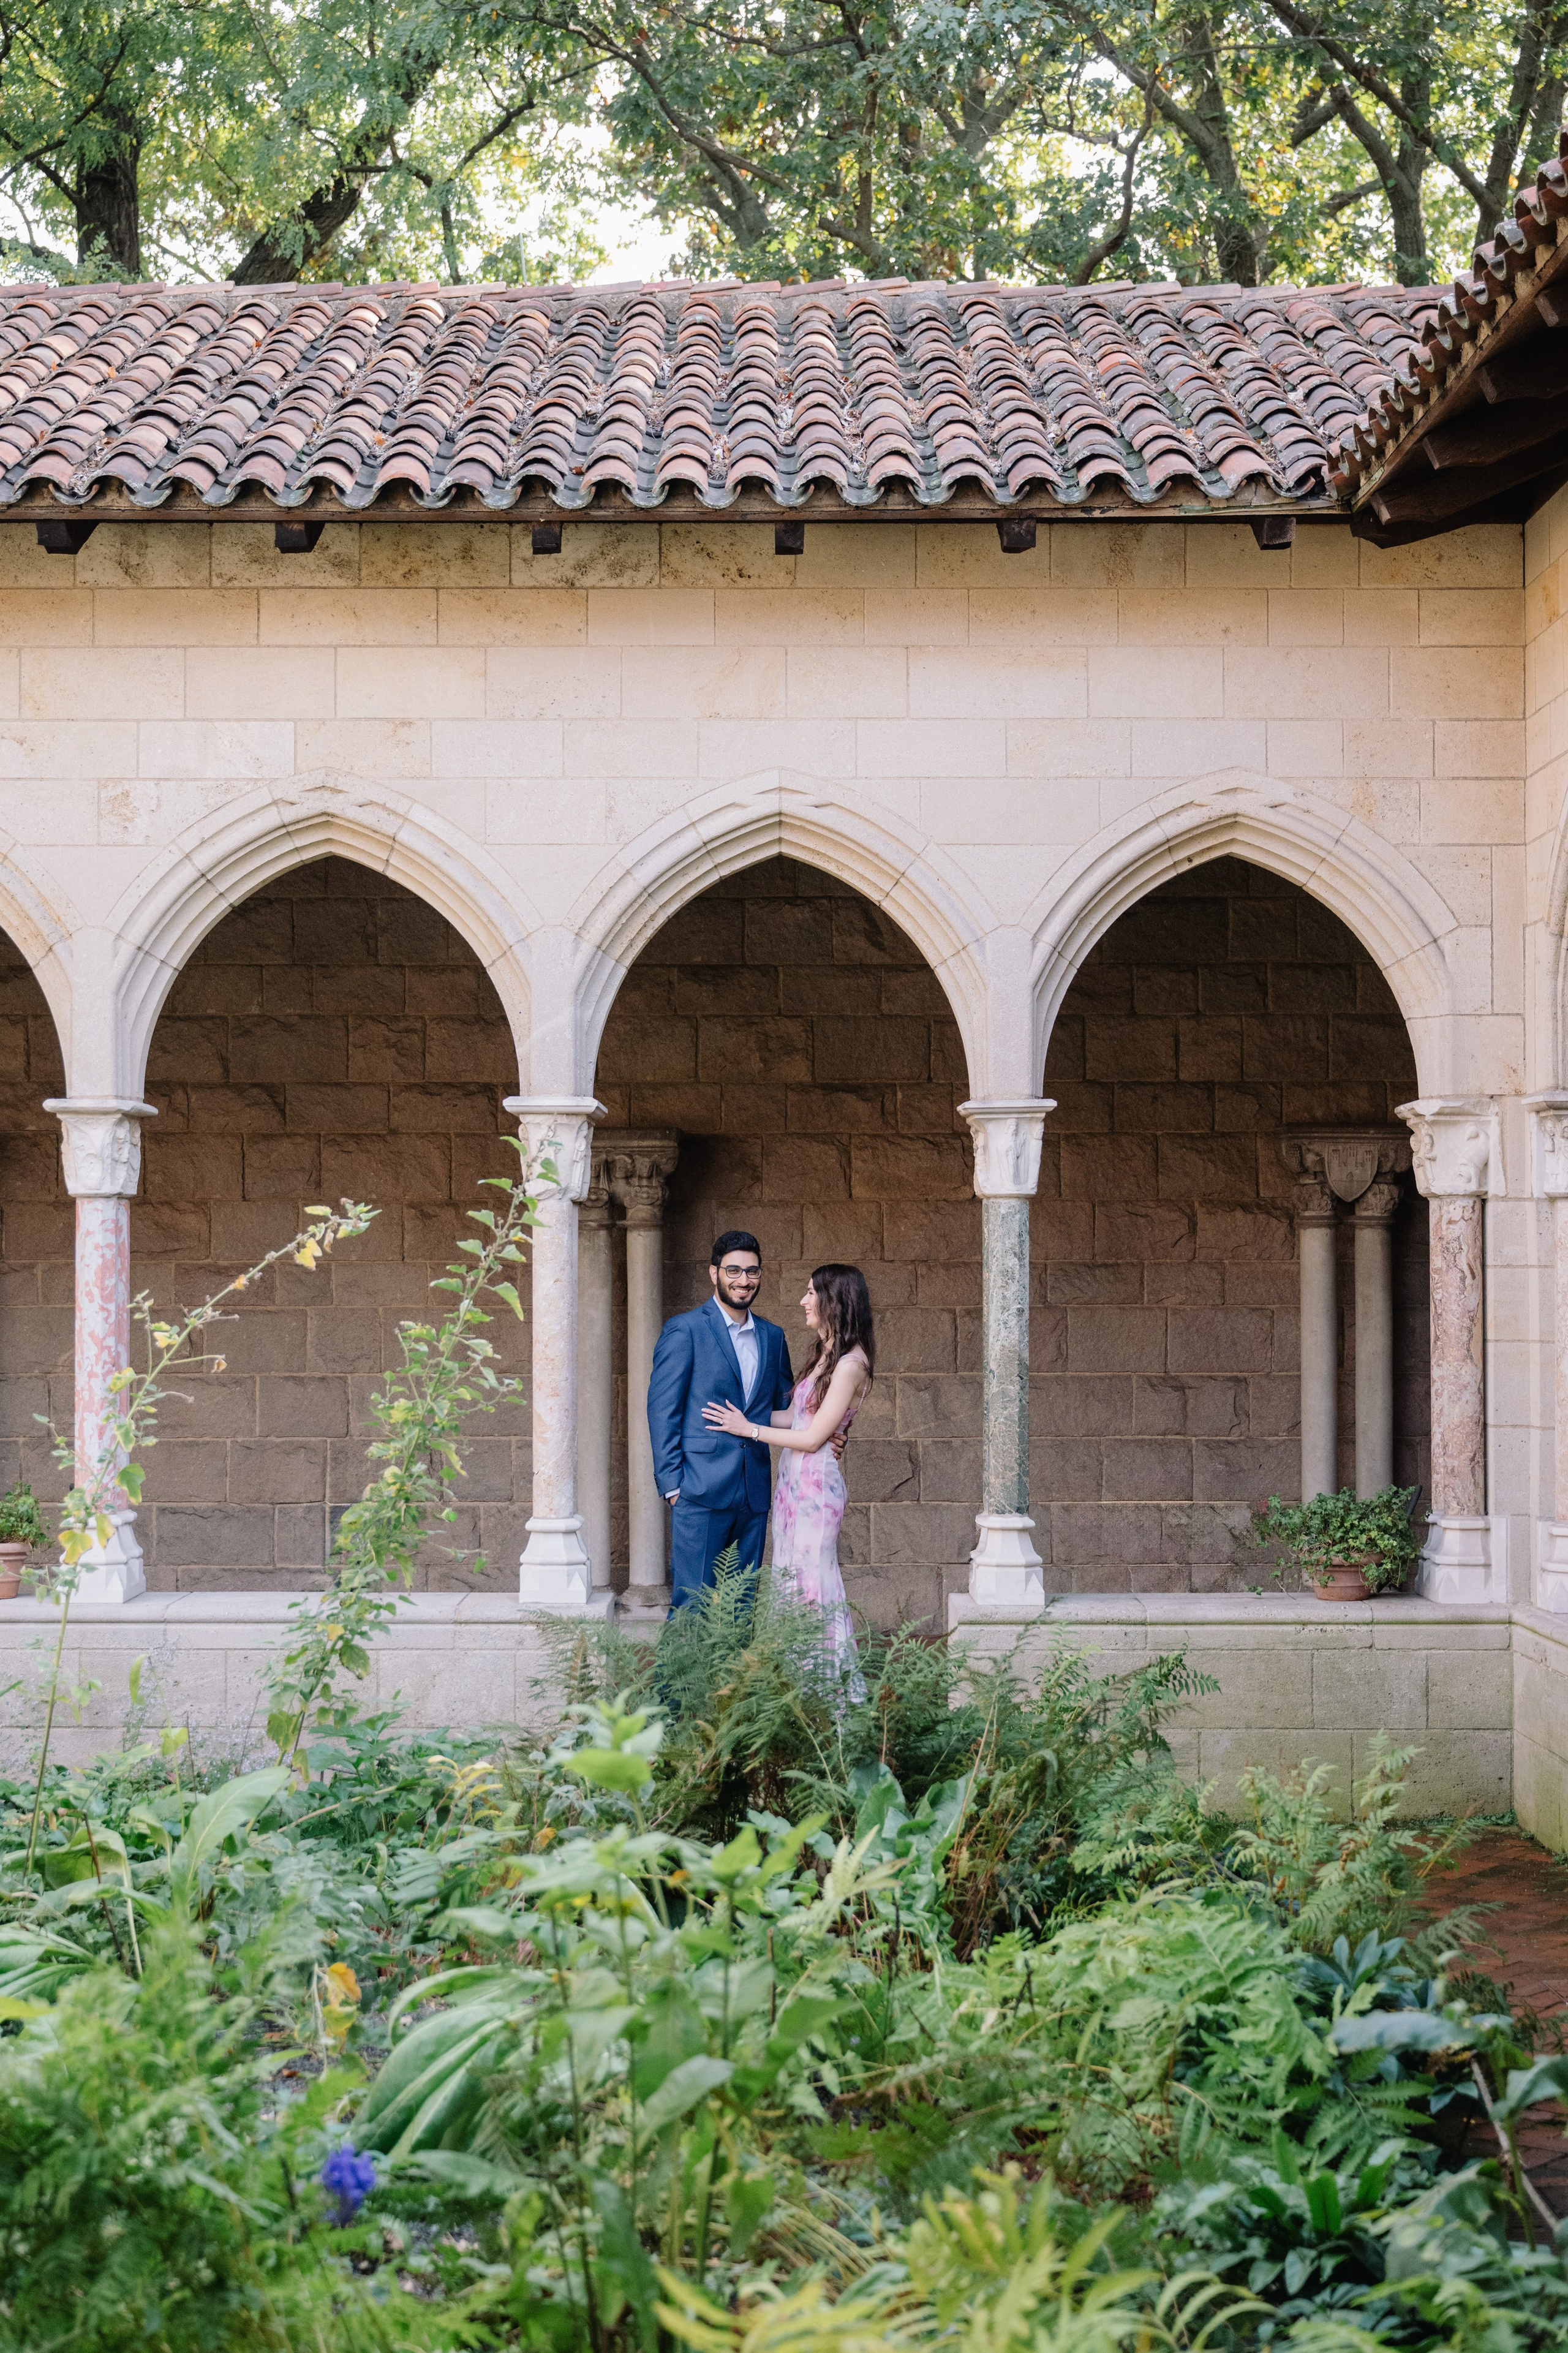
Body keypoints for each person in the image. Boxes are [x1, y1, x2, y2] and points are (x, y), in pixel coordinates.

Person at [702, 1262, 873, 1689]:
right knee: (789, 1585)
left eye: (812, 1292)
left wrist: (751, 1430)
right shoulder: (825, 1358)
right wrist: (739, 1413)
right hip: (793, 1488)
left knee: (813, 1588)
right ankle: (795, 1690)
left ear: (836, 1300)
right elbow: (795, 1418)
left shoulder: (852, 1363)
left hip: (817, 1492)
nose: (803, 1300)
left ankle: (829, 1696)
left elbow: (814, 1437)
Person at [647, 1230, 795, 1613]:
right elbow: (663, 1410)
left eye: (752, 1272)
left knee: (740, 1608)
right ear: (714, 1274)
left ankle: (734, 1677)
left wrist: (830, 1433)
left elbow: (786, 1409)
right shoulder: (687, 1330)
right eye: (733, 1270)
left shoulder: (774, 1337)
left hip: (753, 1492)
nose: (743, 1280)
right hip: (698, 1489)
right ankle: (673, 1678)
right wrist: (673, 1486)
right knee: (691, 1607)